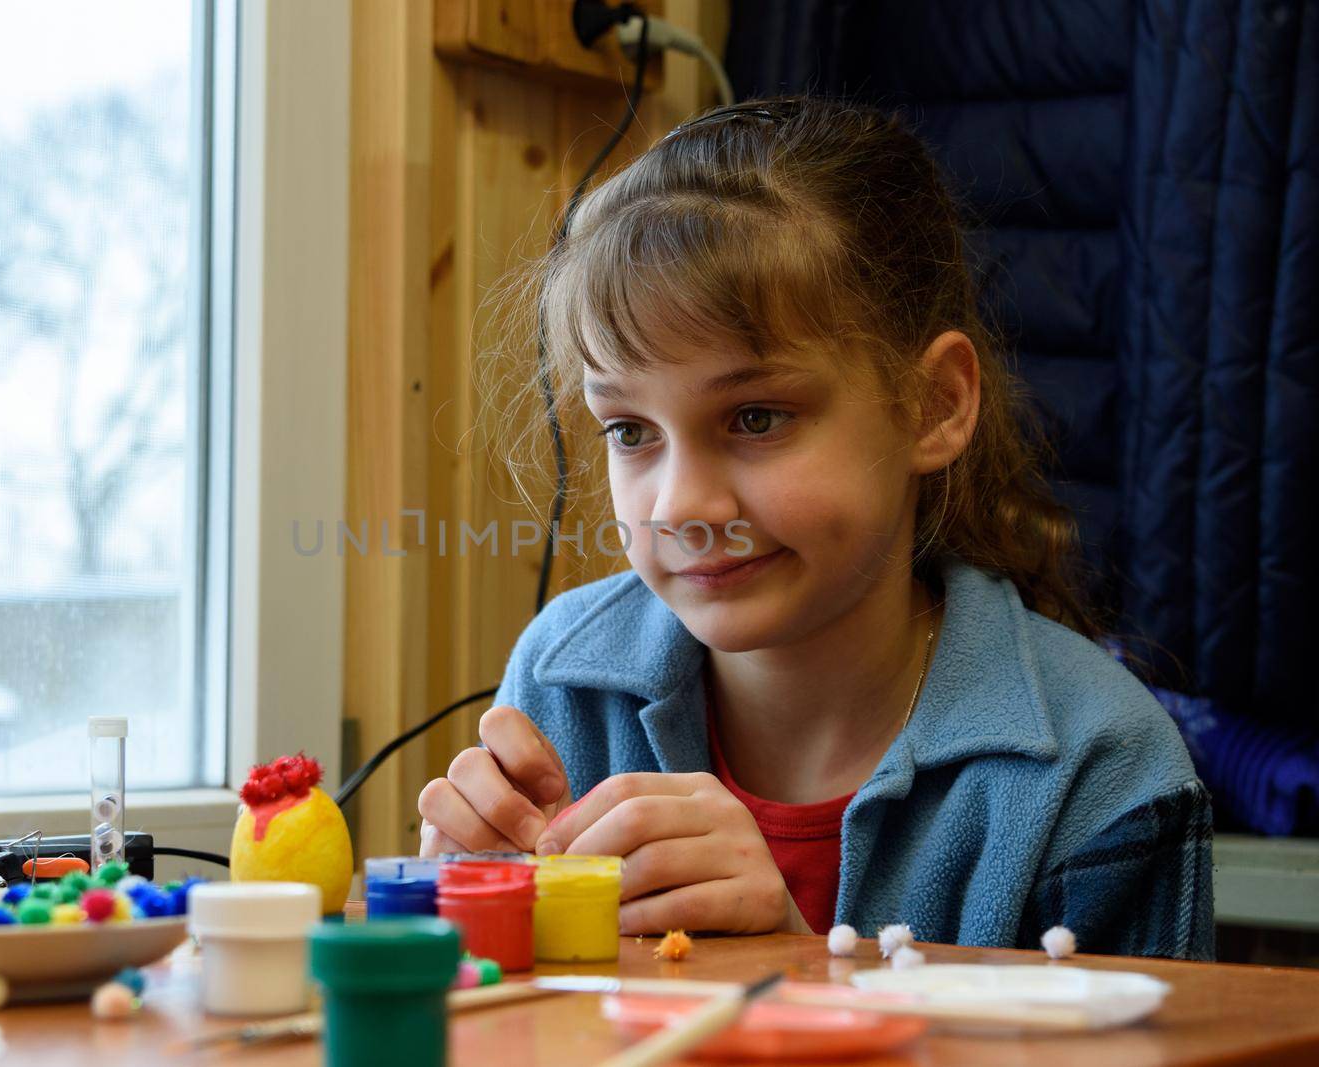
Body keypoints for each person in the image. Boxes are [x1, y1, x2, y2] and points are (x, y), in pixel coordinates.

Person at [417, 97, 1214, 959]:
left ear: (932, 405)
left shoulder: (1104, 773)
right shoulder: (565, 683)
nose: (681, 505)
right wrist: (462, 932)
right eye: (630, 432)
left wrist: (795, 965)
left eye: (756, 418)